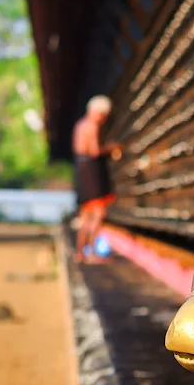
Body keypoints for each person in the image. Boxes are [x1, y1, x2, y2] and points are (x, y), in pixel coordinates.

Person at [72, 95, 122, 262]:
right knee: (98, 212)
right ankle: (91, 252)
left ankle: (80, 253)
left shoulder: (80, 125)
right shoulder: (92, 125)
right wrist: (111, 149)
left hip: (80, 167)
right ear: (99, 113)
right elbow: (93, 151)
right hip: (91, 170)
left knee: (85, 214)